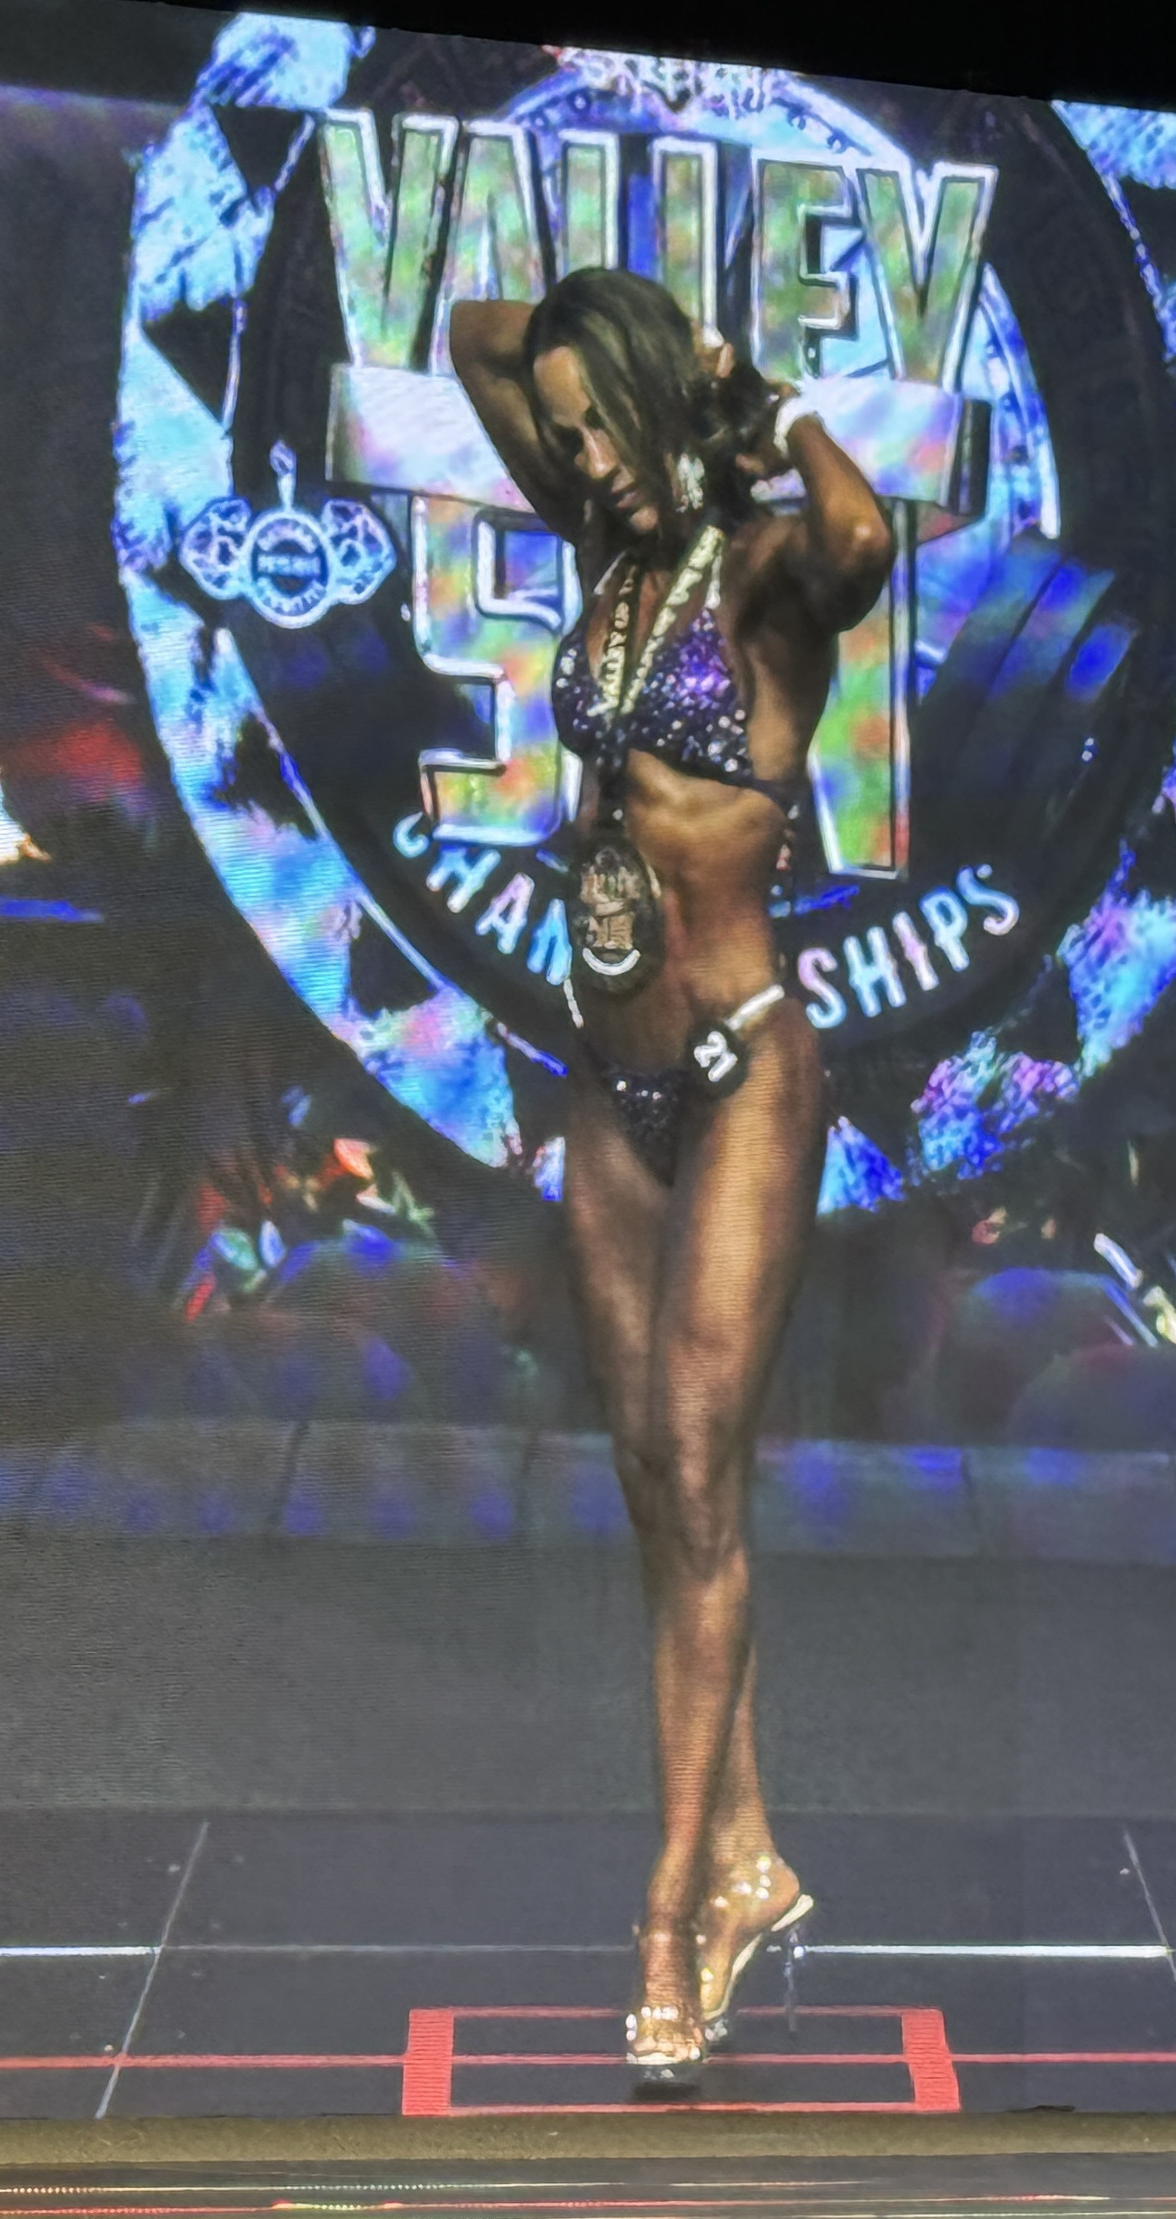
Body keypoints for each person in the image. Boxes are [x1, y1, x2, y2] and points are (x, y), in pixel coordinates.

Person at [451, 270, 892, 2089]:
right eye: (566, 442)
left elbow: (862, 537)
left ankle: (669, 1916)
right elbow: (479, 332)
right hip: (604, 1083)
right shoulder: (608, 562)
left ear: (659, 401)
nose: (584, 463)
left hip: (741, 1073)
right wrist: (594, 366)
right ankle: (749, 1854)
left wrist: (751, 394)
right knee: (656, 1484)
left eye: (603, 429)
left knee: (704, 1465)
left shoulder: (764, 573)